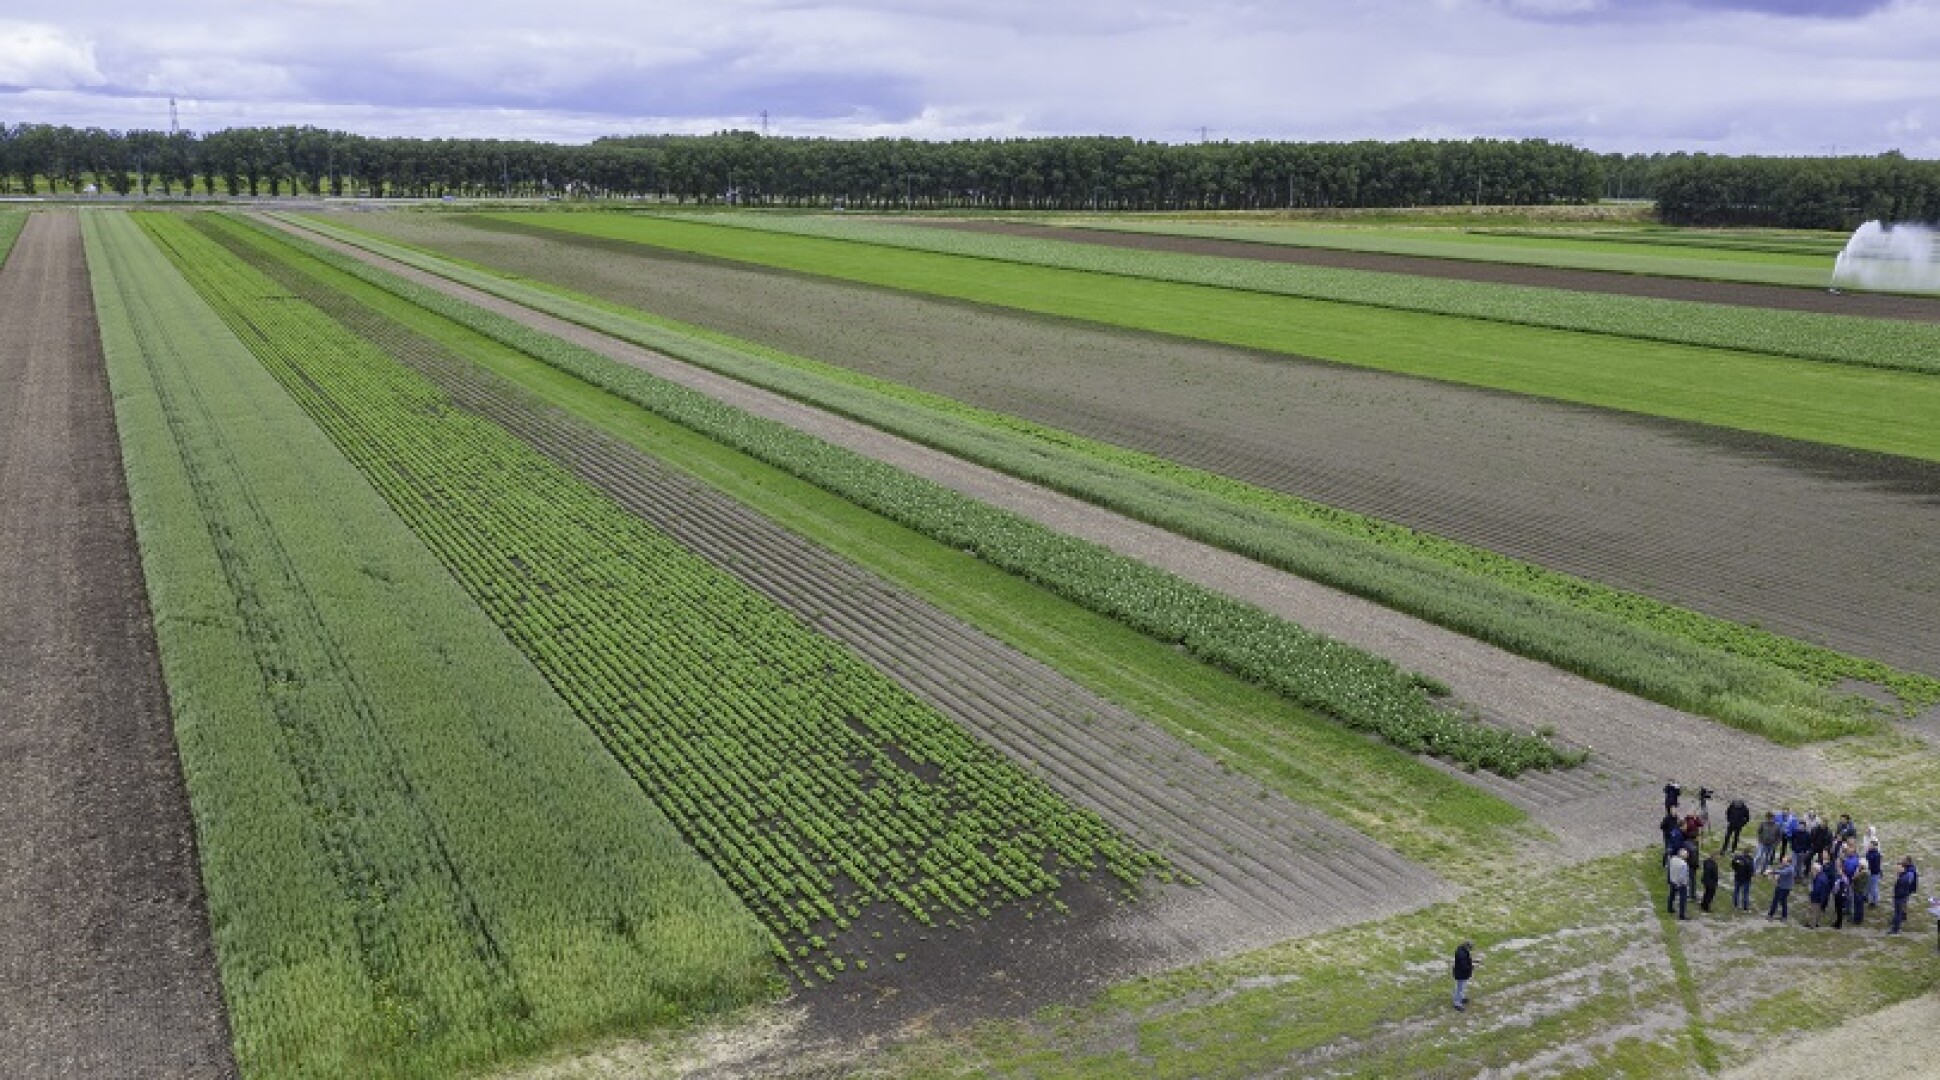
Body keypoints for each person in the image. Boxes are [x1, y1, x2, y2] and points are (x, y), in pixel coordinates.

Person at [1889, 857, 1918, 935]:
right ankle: (1903, 916)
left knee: (1899, 909)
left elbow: (1907, 883)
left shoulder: (1909, 873)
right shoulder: (1906, 870)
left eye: (1904, 861)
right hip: (1904, 893)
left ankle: (1896, 926)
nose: (1902, 861)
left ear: (1908, 862)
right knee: (1902, 906)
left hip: (1903, 894)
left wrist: (1897, 894)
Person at [1806, 862, 1833, 928]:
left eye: (1813, 869)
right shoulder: (1822, 876)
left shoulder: (1819, 879)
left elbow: (1816, 890)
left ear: (1816, 870)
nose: (1811, 870)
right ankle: (1817, 923)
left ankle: (1812, 924)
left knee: (1813, 911)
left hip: (1816, 898)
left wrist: (1811, 892)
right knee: (1818, 911)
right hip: (1822, 897)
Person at [1667, 850, 1691, 920]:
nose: (1688, 856)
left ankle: (1670, 908)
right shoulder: (1684, 864)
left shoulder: (1673, 859)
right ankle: (1682, 915)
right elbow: (1682, 876)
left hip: (1672, 880)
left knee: (1671, 895)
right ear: (1684, 856)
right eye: (1687, 854)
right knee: (1682, 899)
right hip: (1681, 884)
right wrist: (1679, 883)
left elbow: (1670, 869)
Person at [1452, 941, 1475, 1010]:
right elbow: (1464, 966)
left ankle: (1461, 998)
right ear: (1467, 946)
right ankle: (1457, 1003)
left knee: (1462, 986)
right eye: (1470, 948)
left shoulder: (1462, 950)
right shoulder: (1461, 954)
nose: (1470, 950)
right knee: (1459, 988)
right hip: (1460, 974)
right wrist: (1471, 967)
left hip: (1462, 974)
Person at [1850, 859, 1870, 926]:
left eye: (1860, 864)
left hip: (1858, 891)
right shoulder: (1866, 872)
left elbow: (1854, 878)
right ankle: (1859, 919)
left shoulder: (1862, 873)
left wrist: (1857, 871)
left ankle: (1857, 920)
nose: (1858, 865)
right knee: (1860, 906)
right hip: (1861, 891)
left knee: (1857, 906)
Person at [1866, 840, 1883, 907]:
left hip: (1874, 874)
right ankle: (1871, 899)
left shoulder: (1876, 855)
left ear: (1875, 846)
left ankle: (1875, 901)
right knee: (1870, 887)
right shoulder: (1869, 852)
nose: (1869, 846)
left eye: (1871, 845)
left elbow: (1875, 866)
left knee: (1874, 888)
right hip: (1870, 873)